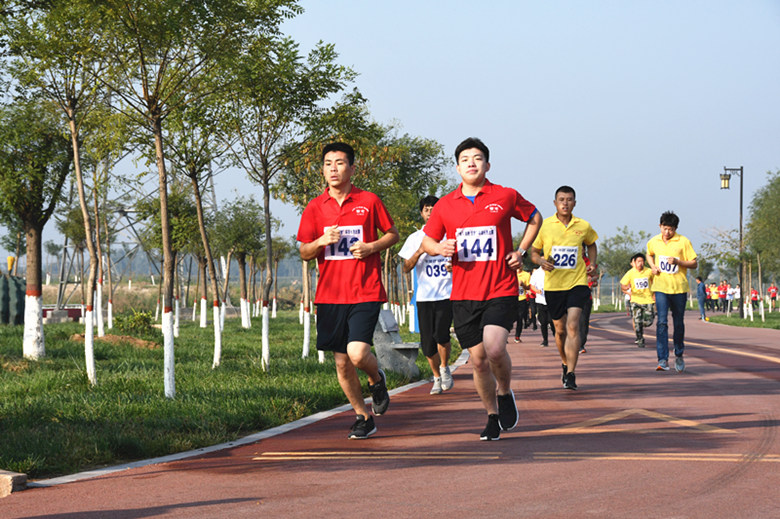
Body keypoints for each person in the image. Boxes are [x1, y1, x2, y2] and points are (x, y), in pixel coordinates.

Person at [422, 137, 542, 441]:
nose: (471, 163)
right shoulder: (445, 206)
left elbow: (534, 217)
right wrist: (439, 247)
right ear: (458, 166)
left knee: (495, 348)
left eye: (477, 158)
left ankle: (504, 391)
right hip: (463, 294)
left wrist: (522, 251)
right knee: (477, 360)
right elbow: (427, 240)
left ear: (487, 164)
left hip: (500, 287)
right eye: (465, 159)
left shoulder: (505, 195)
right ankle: (491, 415)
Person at [297, 142, 399, 439]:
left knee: (357, 353)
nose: (333, 168)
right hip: (330, 295)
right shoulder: (315, 207)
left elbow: (392, 234)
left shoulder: (369, 201)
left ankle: (376, 378)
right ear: (322, 169)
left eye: (339, 163)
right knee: (341, 363)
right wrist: (320, 242)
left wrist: (371, 246)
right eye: (328, 163)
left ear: (352, 168)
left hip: (365, 290)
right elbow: (304, 251)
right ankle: (363, 416)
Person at [530, 186, 598, 390]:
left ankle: (571, 373)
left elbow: (592, 244)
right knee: (559, 330)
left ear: (575, 203)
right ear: (555, 203)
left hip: (577, 282)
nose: (565, 203)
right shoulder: (545, 226)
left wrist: (592, 263)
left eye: (569, 199)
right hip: (554, 285)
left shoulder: (583, 225)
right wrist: (541, 261)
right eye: (561, 199)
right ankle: (564, 362)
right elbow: (533, 252)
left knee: (573, 325)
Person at [399, 195, 454, 395]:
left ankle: (445, 367)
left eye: (434, 208)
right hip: (424, 297)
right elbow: (405, 268)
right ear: (422, 213)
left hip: (446, 294)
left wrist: (453, 266)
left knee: (441, 334)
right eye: (426, 209)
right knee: (427, 342)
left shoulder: (450, 235)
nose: (430, 212)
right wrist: (420, 251)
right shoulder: (415, 239)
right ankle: (437, 377)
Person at [646, 211, 698, 372]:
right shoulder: (654, 241)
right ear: (660, 226)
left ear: (675, 229)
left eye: (670, 229)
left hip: (678, 288)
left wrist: (678, 261)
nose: (667, 232)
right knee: (661, 322)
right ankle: (662, 359)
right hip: (660, 287)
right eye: (664, 228)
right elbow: (649, 254)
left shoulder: (683, 242)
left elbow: (694, 263)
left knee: (678, 322)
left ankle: (679, 353)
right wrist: (653, 266)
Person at [620, 253, 656, 347]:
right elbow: (623, 286)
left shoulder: (649, 271)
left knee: (648, 322)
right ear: (634, 263)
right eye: (638, 261)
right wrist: (626, 288)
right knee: (636, 321)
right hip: (635, 300)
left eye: (642, 261)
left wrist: (655, 294)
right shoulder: (630, 273)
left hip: (648, 300)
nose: (640, 263)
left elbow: (656, 281)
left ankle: (642, 324)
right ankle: (640, 339)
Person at [530, 267, 555, 347]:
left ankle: (557, 337)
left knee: (552, 321)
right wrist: (537, 291)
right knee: (543, 322)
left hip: (551, 300)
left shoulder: (552, 270)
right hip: (540, 300)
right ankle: (545, 340)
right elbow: (532, 285)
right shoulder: (536, 273)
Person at [514, 265, 531, 343]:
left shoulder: (526, 275)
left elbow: (528, 287)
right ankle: (504, 337)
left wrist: (523, 285)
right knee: (508, 318)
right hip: (512, 299)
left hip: (522, 299)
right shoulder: (511, 273)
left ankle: (517, 336)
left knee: (519, 318)